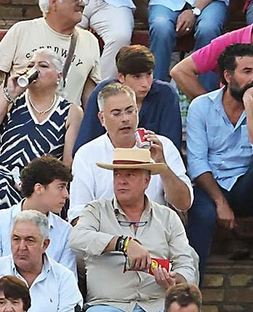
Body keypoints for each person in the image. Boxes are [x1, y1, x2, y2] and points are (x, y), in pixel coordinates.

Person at [72, 146, 197, 312]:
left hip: (157, 302)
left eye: (130, 175)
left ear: (146, 181)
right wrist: (122, 243)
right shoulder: (96, 210)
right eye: (118, 174)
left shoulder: (167, 217)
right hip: (109, 304)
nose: (121, 181)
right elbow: (76, 238)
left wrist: (176, 283)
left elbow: (185, 260)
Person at [184, 43, 253, 265]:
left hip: (248, 188)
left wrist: (250, 103)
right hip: (212, 186)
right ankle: (191, 285)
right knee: (203, 215)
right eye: (247, 72)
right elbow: (197, 162)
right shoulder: (201, 106)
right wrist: (220, 202)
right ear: (228, 76)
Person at [0, 0, 101, 116]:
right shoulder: (23, 31)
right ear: (53, 2)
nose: (82, 3)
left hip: (63, 133)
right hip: (13, 130)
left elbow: (88, 94)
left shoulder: (89, 41)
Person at [0, 46, 80, 208]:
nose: (34, 69)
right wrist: (8, 94)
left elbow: (67, 165)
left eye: (43, 66)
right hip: (3, 176)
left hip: (41, 183)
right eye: (30, 66)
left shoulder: (71, 111)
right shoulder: (10, 101)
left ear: (59, 76)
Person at [70, 82, 190, 221]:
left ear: (137, 113)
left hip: (155, 231)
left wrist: (162, 166)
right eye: (116, 113)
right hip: (106, 234)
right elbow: (78, 214)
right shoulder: (86, 154)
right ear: (102, 118)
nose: (125, 119)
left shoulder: (162, 146)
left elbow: (184, 203)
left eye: (130, 111)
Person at [0, 156, 75, 270]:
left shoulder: (66, 231)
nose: (66, 195)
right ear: (39, 188)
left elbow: (68, 281)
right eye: (61, 187)